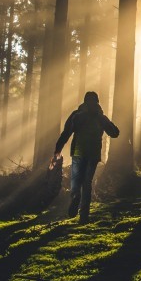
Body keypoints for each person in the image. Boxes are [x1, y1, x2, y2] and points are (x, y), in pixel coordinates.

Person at [53, 91, 119, 222]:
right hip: (93, 154)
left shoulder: (76, 115)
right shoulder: (100, 117)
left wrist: (57, 150)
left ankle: (75, 197)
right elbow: (115, 133)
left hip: (78, 152)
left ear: (84, 101)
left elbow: (66, 134)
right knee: (87, 183)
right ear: (97, 101)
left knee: (76, 181)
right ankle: (84, 216)